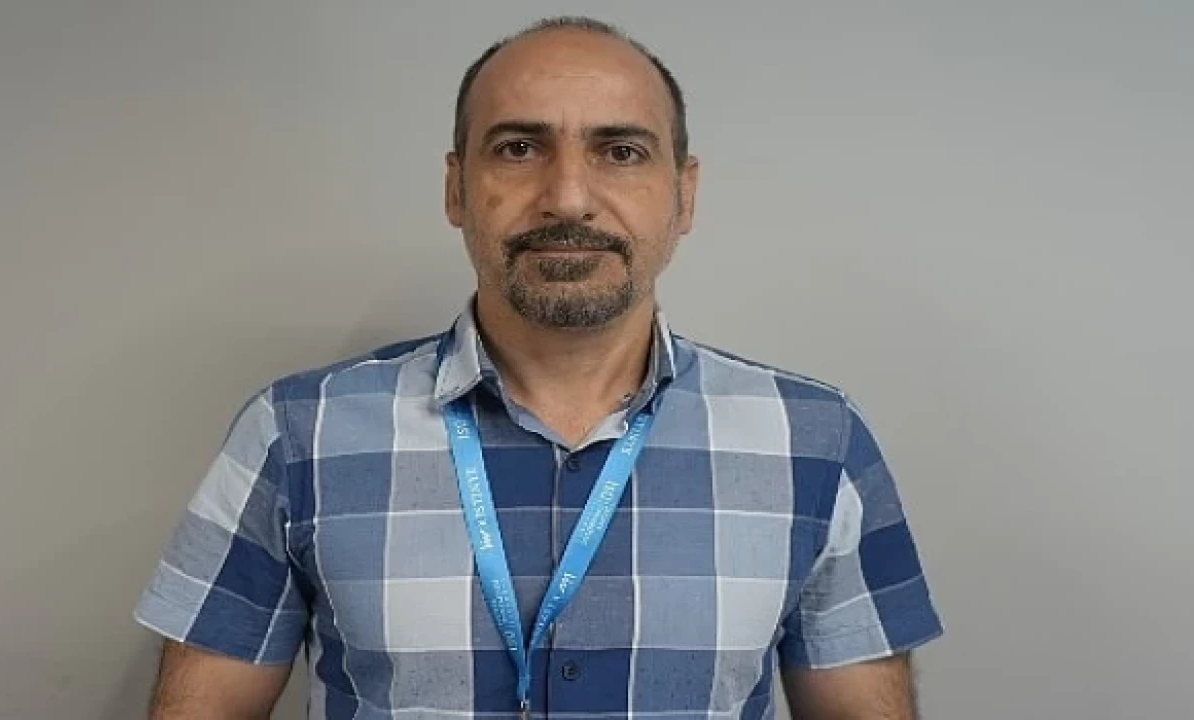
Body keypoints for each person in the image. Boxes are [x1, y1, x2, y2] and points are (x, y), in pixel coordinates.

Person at [133, 15, 943, 719]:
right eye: (519, 148)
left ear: (684, 195)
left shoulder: (815, 441)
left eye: (620, 151)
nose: (568, 197)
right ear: (457, 188)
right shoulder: (296, 434)